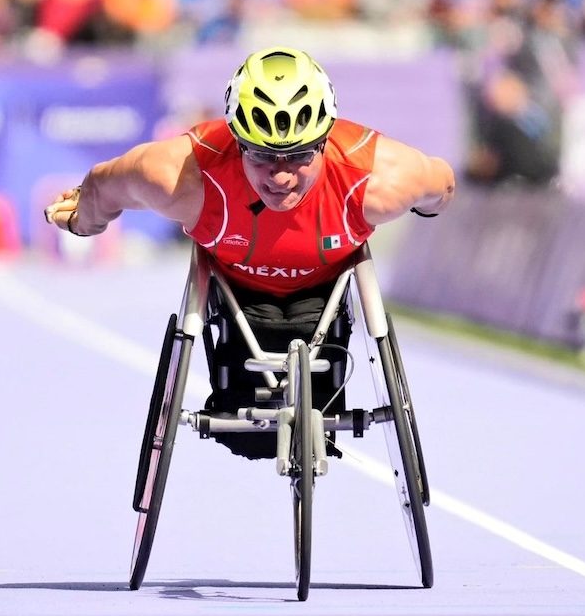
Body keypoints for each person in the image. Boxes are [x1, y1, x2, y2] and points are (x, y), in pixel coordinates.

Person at [45, 45, 455, 458]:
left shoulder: (378, 179)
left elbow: (443, 184)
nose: (281, 176)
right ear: (238, 142)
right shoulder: (183, 176)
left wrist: (428, 203)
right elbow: (103, 184)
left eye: (298, 156)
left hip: (327, 295)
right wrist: (85, 221)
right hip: (234, 298)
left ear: (324, 141)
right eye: (261, 156)